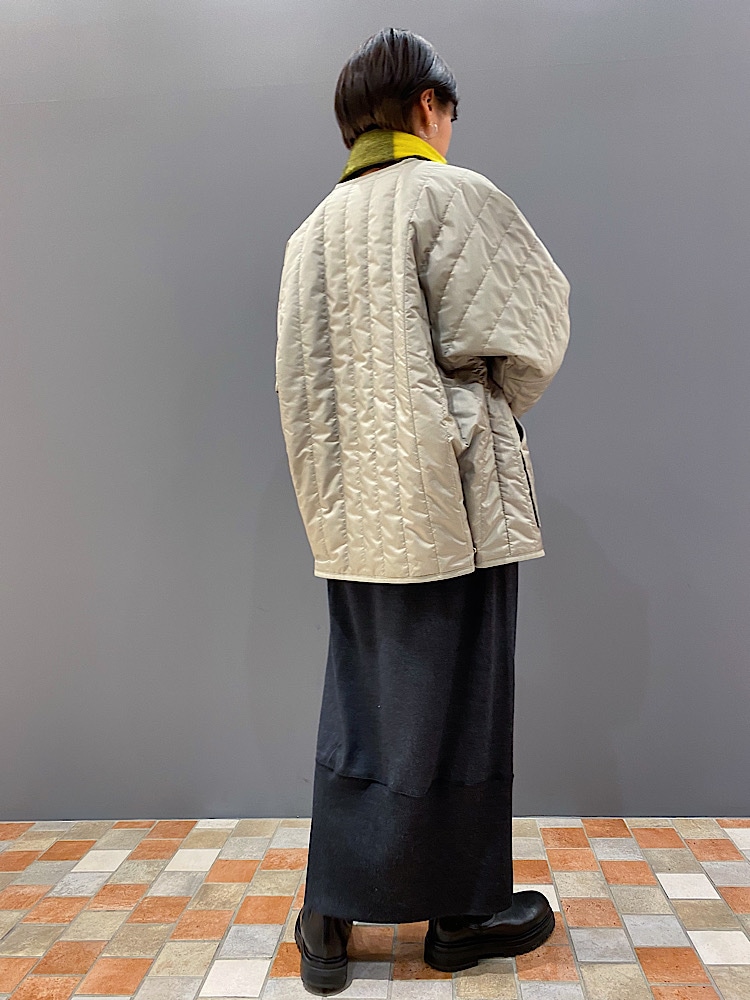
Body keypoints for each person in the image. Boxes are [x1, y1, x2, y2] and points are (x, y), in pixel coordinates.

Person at [275, 27, 571, 996]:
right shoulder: (450, 196)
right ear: (427, 107)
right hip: (453, 497)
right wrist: (477, 414)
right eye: (448, 111)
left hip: (352, 508)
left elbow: (298, 384)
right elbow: (535, 328)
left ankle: (328, 915)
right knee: (465, 701)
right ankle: (461, 914)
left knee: (363, 702)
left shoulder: (310, 234)